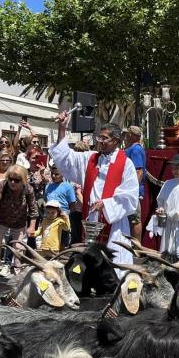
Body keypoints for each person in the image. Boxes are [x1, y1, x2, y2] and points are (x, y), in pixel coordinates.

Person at [50, 111, 139, 266]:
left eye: (104, 138)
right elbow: (65, 158)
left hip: (114, 223)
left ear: (116, 140)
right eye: (99, 137)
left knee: (112, 264)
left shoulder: (126, 164)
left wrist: (105, 204)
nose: (100, 141)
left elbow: (130, 196)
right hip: (91, 219)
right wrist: (62, 128)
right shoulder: (90, 159)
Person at [0, 165, 37, 275]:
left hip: (19, 222)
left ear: (22, 180)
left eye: (17, 180)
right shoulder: (2, 185)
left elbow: (33, 209)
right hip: (1, 219)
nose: (12, 182)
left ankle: (18, 272)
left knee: (18, 248)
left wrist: (32, 227)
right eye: (10, 179)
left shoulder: (28, 189)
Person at [122, 126, 146, 240]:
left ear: (132, 135)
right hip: (128, 189)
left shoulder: (135, 150)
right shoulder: (131, 148)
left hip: (132, 191)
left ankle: (136, 247)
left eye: (127, 134)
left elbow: (139, 171)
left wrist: (132, 189)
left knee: (134, 219)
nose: (126, 136)